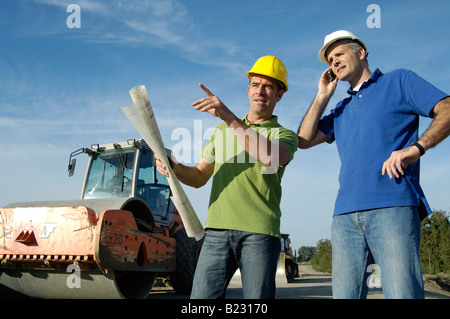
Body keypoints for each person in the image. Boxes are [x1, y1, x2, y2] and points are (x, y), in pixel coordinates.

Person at [297, 30, 450, 299]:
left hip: (393, 206)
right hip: (344, 215)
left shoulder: (399, 81)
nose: (334, 62)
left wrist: (417, 148)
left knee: (402, 294)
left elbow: (446, 108)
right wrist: (322, 96)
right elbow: (304, 139)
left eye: (339, 54)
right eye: (330, 60)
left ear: (360, 52)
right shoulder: (341, 109)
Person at [155, 56, 298, 299]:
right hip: (216, 233)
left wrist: (228, 117)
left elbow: (270, 158)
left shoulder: (284, 135)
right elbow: (199, 177)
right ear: (248, 89)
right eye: (255, 84)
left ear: (279, 94)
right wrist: (175, 168)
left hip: (259, 234)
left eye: (268, 86)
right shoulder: (222, 130)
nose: (260, 91)